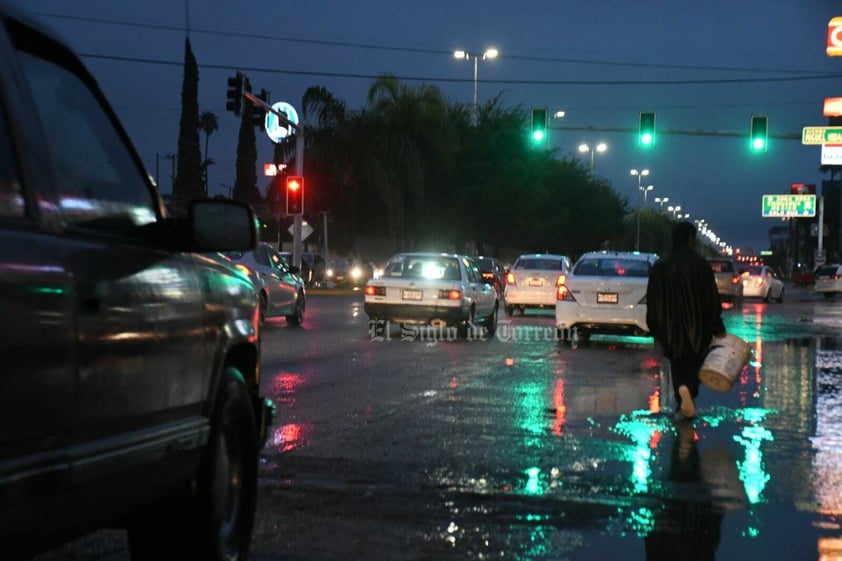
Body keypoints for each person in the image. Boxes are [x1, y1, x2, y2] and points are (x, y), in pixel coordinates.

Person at [646, 221, 726, 420]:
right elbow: (710, 299)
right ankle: (687, 394)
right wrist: (717, 326)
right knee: (694, 365)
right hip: (698, 328)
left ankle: (683, 402)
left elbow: (652, 299)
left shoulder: (660, 265)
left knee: (677, 364)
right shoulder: (701, 265)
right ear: (691, 239)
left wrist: (654, 326)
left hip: (668, 328)